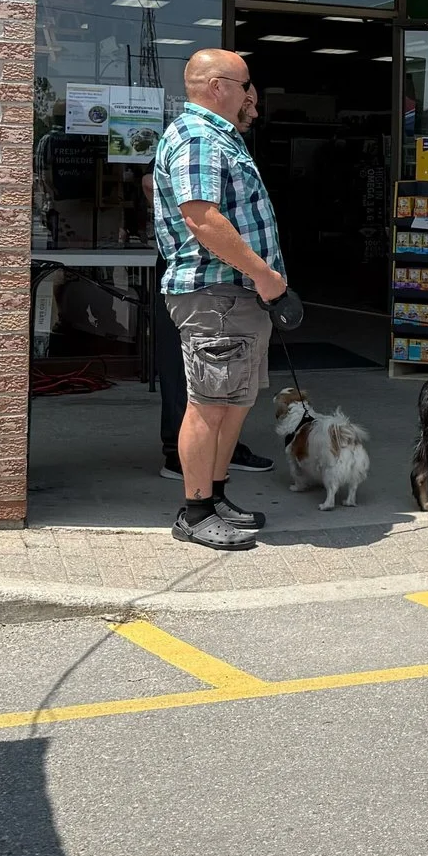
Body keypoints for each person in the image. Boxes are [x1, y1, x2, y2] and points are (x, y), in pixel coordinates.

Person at [150, 49, 286, 553]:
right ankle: (196, 510)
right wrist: (264, 275)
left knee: (233, 402)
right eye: (245, 83)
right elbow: (201, 219)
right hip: (217, 293)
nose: (252, 94)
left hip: (236, 295)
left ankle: (217, 495)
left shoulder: (219, 139)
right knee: (208, 404)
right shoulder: (198, 139)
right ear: (216, 86)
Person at [142, 169, 274, 482]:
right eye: (250, 112)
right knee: (205, 391)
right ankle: (190, 477)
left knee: (225, 390)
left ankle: (213, 482)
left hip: (220, 277)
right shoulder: (195, 138)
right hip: (205, 278)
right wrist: (263, 274)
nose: (254, 115)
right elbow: (195, 214)